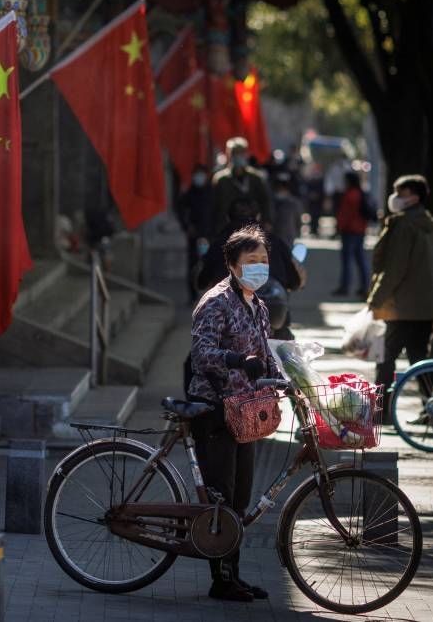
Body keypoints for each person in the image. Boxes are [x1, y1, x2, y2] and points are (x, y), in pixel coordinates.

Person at [188, 225, 279, 602]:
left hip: (245, 412)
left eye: (264, 261)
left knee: (240, 498)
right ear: (232, 264)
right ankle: (220, 580)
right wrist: (238, 360)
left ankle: (233, 575)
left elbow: (267, 356)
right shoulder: (216, 301)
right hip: (214, 410)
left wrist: (288, 374)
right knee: (221, 497)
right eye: (251, 261)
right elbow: (201, 354)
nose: (259, 268)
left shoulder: (258, 305)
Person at [367, 175, 433, 421]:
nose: (396, 198)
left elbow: (394, 268)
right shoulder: (425, 223)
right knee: (420, 361)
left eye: (402, 193)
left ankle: (380, 411)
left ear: (414, 198)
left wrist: (376, 300)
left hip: (401, 306)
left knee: (385, 358)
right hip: (424, 306)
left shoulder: (404, 224)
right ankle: (432, 410)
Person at [211, 137, 272, 235]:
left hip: (252, 228)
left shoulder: (256, 178)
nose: (238, 156)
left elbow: (266, 201)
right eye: (235, 153)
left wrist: (267, 220)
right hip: (227, 228)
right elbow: (213, 206)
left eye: (241, 153)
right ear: (229, 155)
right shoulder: (221, 180)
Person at [177, 164, 214, 305]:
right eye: (196, 174)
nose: (199, 177)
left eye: (201, 174)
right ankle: (193, 296)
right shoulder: (189, 193)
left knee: (211, 265)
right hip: (195, 236)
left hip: (210, 235)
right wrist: (187, 226)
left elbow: (218, 212)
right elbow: (180, 210)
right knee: (193, 266)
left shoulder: (212, 193)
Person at [332, 171, 373, 298]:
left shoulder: (350, 195)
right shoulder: (361, 194)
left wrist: (339, 227)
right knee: (360, 259)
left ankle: (345, 286)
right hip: (359, 230)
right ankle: (365, 286)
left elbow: (345, 214)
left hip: (349, 230)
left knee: (347, 261)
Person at [270, 171, 304, 248]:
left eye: (284, 186)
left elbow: (298, 221)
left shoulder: (294, 203)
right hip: (273, 236)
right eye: (279, 186)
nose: (282, 189)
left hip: (288, 237)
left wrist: (297, 232)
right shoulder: (270, 202)